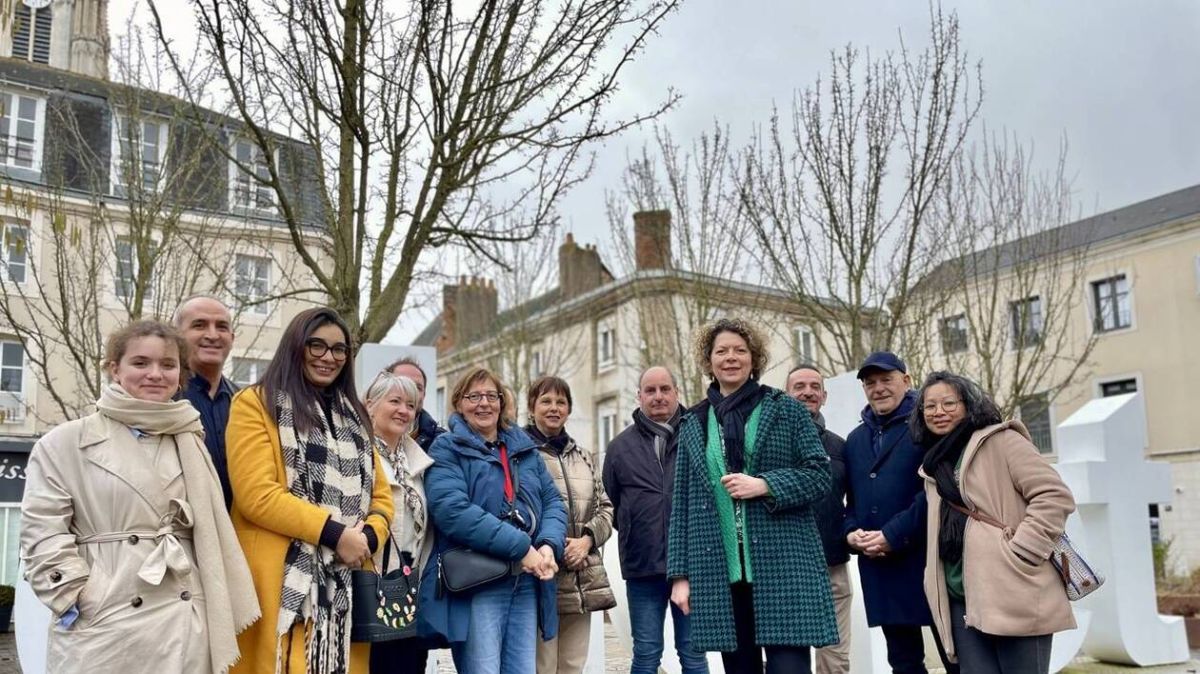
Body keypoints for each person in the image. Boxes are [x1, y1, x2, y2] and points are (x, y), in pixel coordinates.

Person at [20, 320, 259, 673]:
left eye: (168, 364)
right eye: (141, 363)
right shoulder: (66, 441)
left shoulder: (191, 439)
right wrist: (76, 596)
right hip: (104, 620)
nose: (155, 374)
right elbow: (41, 533)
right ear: (115, 369)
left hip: (185, 620)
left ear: (181, 375)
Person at [227, 307, 393, 674]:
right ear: (295, 346)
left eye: (338, 349)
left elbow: (382, 499)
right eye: (316, 345)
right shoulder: (255, 403)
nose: (328, 357)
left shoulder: (355, 416)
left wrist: (366, 538)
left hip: (347, 585)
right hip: (280, 581)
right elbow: (257, 495)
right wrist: (335, 534)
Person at [669, 318, 837, 674]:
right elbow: (681, 504)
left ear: (753, 358)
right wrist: (680, 576)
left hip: (783, 567)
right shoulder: (693, 422)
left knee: (789, 669)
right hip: (720, 573)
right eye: (721, 351)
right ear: (709, 360)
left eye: (740, 350)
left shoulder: (785, 409)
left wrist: (766, 485)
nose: (731, 357)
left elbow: (820, 475)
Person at [912, 371, 1076, 673]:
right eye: (929, 406)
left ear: (968, 405)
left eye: (949, 403)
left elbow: (1054, 495)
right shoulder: (934, 464)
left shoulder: (1002, 441)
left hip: (1015, 586)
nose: (938, 412)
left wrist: (1023, 550)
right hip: (961, 596)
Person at [419, 366, 568, 673]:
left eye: (491, 395)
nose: (484, 403)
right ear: (459, 403)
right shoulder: (447, 448)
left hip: (526, 581)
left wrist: (548, 545)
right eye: (474, 396)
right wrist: (521, 548)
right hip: (480, 583)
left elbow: (553, 502)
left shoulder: (524, 449)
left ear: (502, 402)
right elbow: (453, 512)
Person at [842, 351, 955, 674]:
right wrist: (851, 533)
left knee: (956, 657)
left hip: (929, 560)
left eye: (886, 379)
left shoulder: (929, 426)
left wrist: (892, 534)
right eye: (870, 382)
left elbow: (935, 492)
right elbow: (852, 502)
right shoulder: (855, 439)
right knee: (904, 663)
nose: (878, 388)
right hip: (881, 566)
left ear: (906, 380)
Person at [602, 366, 709, 674]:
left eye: (665, 389)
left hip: (692, 565)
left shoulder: (700, 437)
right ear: (639, 396)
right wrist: (640, 529)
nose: (658, 396)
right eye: (650, 390)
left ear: (677, 393)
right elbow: (614, 504)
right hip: (643, 565)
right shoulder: (619, 448)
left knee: (694, 654)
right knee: (646, 653)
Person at [526, 376, 616, 674]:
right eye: (546, 401)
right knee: (542, 666)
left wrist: (587, 541)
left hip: (581, 576)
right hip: (541, 576)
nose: (554, 408)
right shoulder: (521, 454)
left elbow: (606, 508)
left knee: (572, 665)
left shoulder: (584, 457)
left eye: (561, 402)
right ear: (532, 407)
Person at [362, 372, 436, 673]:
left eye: (411, 405)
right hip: (368, 586)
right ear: (370, 404)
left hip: (408, 587)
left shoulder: (416, 462)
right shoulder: (358, 453)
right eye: (395, 401)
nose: (403, 411)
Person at [786, 364, 852, 674]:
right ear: (786, 395)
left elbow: (854, 502)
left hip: (833, 566)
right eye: (799, 386)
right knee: (791, 661)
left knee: (835, 661)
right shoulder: (770, 445)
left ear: (824, 396)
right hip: (785, 570)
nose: (807, 392)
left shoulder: (840, 447)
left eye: (815, 387)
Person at [175, 294, 238, 510]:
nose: (212, 335)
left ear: (232, 338)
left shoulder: (246, 402)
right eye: (199, 325)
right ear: (178, 336)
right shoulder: (164, 401)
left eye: (221, 327)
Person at [386, 356, 446, 451]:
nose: (411, 391)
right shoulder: (364, 436)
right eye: (403, 384)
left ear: (424, 395)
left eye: (418, 387)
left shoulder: (442, 442)